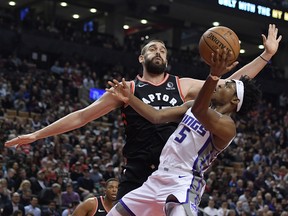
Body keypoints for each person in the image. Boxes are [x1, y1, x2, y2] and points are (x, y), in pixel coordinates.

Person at [4, 24, 281, 200]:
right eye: (152, 48)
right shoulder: (127, 90)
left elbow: (230, 88)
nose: (158, 51)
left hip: (170, 174)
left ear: (167, 59)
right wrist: (37, 134)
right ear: (141, 57)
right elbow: (81, 116)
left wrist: (265, 56)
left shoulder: (182, 85)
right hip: (137, 174)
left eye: (162, 49)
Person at [105, 48, 262, 215]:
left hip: (184, 183)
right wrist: (130, 98)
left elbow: (200, 111)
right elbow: (156, 116)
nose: (219, 85)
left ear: (235, 99)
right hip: (156, 178)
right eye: (220, 82)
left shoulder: (227, 126)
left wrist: (214, 76)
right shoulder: (191, 106)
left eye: (226, 86)